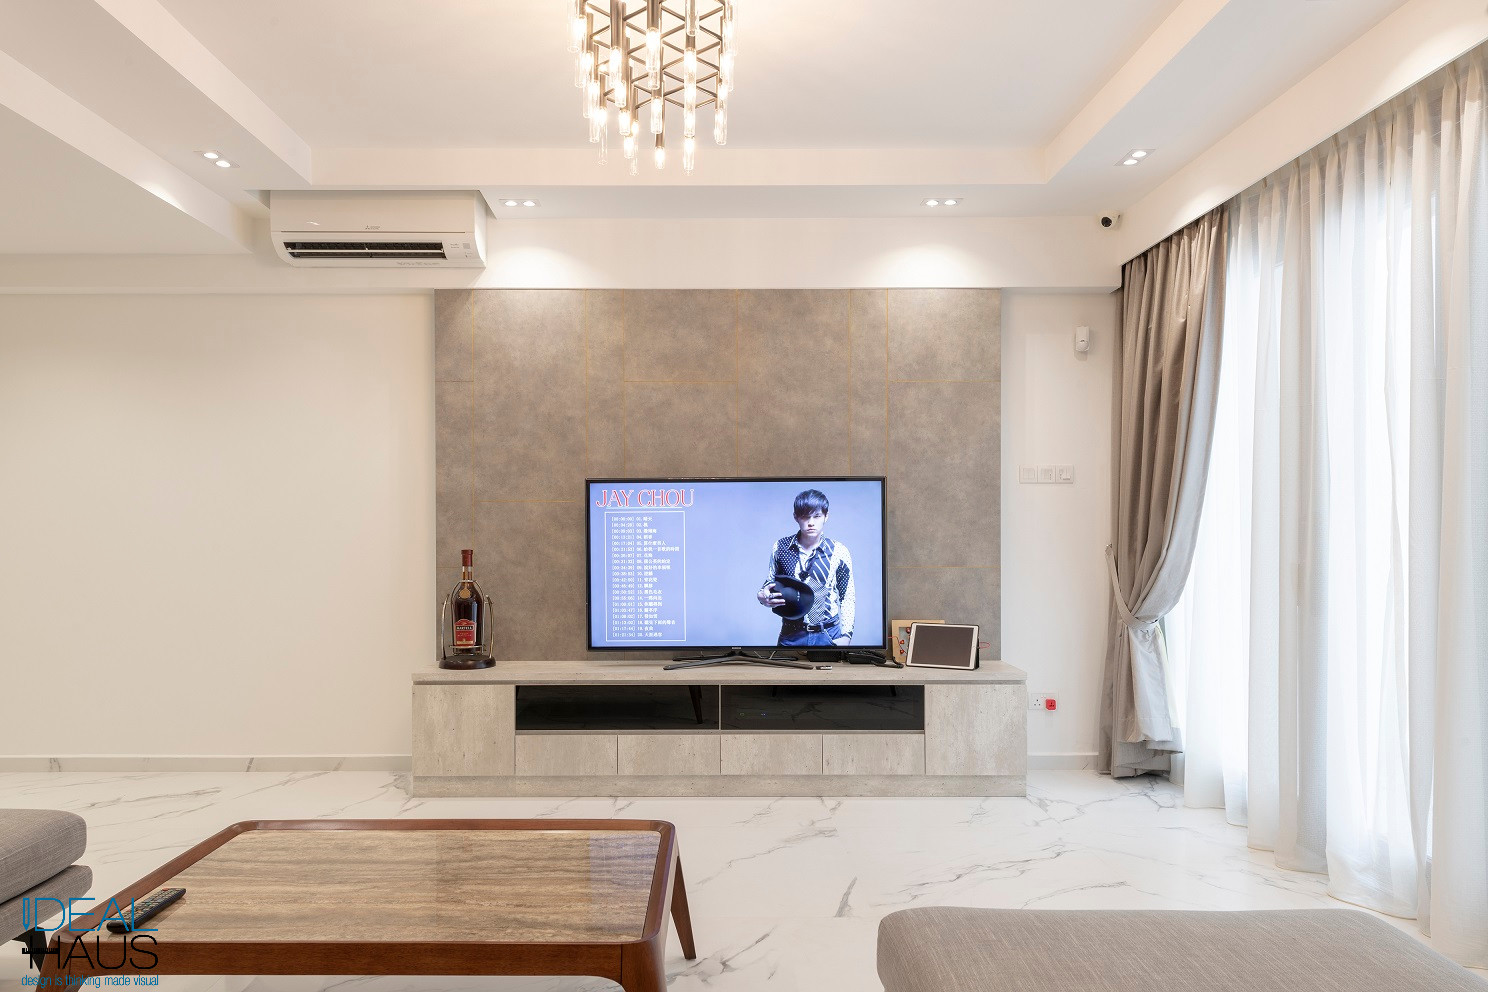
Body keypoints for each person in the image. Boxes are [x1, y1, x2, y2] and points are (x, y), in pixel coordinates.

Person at [756, 489, 856, 647]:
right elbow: (771, 582)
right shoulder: (781, 547)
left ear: (826, 516)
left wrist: (847, 635)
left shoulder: (838, 551)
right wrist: (762, 596)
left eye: (817, 516)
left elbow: (847, 596)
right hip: (791, 634)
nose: (811, 522)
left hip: (828, 633)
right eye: (805, 516)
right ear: (796, 517)